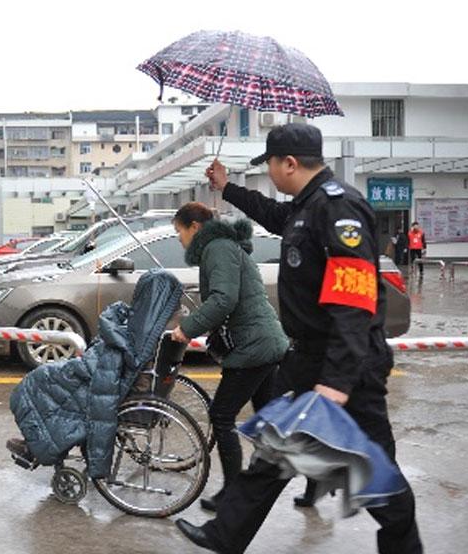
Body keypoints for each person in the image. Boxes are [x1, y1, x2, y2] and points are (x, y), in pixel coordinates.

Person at [175, 123, 422, 554]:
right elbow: (271, 214)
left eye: (270, 164)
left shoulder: (340, 209)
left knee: (375, 470)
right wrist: (227, 187)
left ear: (289, 163)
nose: (269, 172)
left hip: (347, 368)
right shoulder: (306, 206)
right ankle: (225, 535)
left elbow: (354, 303)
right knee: (273, 448)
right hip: (306, 359)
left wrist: (338, 382)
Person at [170, 202, 288, 512]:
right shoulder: (224, 246)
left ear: (195, 227)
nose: (179, 238)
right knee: (267, 422)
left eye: (179, 231)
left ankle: (233, 495)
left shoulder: (218, 247)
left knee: (222, 416)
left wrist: (188, 328)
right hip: (264, 340)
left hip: (253, 345)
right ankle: (304, 476)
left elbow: (224, 299)